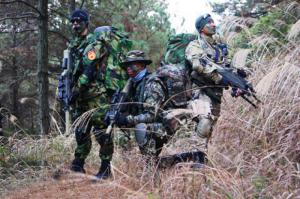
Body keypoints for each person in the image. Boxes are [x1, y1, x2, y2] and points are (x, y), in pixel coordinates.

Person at [61, 9, 128, 180]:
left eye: (79, 21)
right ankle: (78, 164)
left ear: (86, 23)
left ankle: (105, 168)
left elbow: (89, 70)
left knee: (101, 132)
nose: (75, 24)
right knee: (81, 131)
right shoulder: (73, 45)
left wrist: (77, 90)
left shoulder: (94, 42)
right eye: (73, 21)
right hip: (80, 97)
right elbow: (68, 72)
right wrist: (65, 91)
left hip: (96, 95)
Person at [113, 50, 192, 160]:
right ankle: (131, 160)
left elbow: (151, 115)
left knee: (141, 128)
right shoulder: (133, 83)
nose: (128, 68)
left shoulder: (152, 83)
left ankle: (150, 164)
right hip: (154, 125)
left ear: (142, 65)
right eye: (127, 66)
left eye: (132, 65)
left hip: (166, 125)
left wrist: (128, 120)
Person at [185, 13, 234, 153]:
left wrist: (235, 81)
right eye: (209, 22)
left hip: (216, 93)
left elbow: (227, 67)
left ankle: (200, 156)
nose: (213, 24)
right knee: (205, 121)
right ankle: (197, 161)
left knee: (210, 127)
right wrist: (218, 78)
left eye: (213, 22)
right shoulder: (194, 45)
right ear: (201, 28)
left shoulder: (219, 47)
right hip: (200, 90)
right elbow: (197, 65)